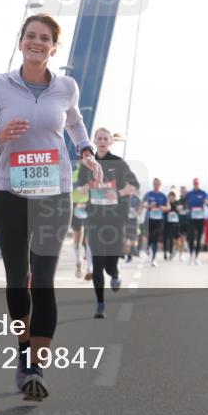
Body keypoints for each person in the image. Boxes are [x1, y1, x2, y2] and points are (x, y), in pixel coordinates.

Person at [0, 13, 102, 402]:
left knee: (42, 279)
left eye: (45, 38)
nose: (37, 42)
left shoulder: (67, 87)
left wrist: (87, 152)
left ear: (54, 47)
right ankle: (22, 347)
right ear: (21, 41)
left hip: (53, 193)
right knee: (17, 280)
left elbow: (75, 125)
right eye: (31, 36)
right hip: (11, 193)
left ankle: (34, 366)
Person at [76, 127, 139, 318]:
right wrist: (86, 188)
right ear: (94, 141)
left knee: (110, 263)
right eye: (99, 138)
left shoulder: (119, 164)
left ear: (110, 142)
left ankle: (115, 274)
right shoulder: (87, 164)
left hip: (115, 219)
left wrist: (117, 193)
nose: (102, 141)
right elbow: (79, 189)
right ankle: (100, 303)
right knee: (97, 261)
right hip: (94, 218)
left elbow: (134, 186)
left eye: (105, 138)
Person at [70, 163, 91, 279]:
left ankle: (89, 267)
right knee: (78, 235)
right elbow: (69, 183)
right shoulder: (74, 169)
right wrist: (78, 187)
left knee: (89, 237)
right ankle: (78, 262)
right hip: (75, 206)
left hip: (90, 206)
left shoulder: (95, 168)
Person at [142, 179, 168, 266]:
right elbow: (143, 205)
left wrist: (162, 208)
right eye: (155, 183)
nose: (156, 185)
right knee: (149, 236)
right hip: (150, 219)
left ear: (160, 184)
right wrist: (150, 206)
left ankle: (153, 259)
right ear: (153, 184)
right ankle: (148, 247)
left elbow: (168, 207)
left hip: (159, 220)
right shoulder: (149, 194)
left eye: (158, 184)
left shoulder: (163, 195)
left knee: (156, 239)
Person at [184, 178, 208, 264]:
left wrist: (207, 203)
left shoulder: (203, 193)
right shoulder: (189, 194)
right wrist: (186, 209)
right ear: (193, 184)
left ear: (199, 184)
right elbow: (185, 204)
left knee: (199, 237)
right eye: (194, 183)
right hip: (191, 218)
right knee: (191, 237)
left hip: (200, 218)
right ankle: (191, 255)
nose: (196, 184)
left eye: (197, 183)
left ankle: (197, 257)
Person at [165, 191, 181, 260]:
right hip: (169, 223)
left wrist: (177, 208)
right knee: (170, 238)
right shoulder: (167, 203)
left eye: (173, 196)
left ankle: (176, 250)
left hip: (176, 223)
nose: (171, 198)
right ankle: (170, 252)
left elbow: (180, 211)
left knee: (177, 239)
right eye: (170, 197)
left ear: (174, 197)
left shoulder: (177, 203)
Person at [176, 185, 190, 261]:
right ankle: (179, 253)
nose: (183, 192)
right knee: (180, 239)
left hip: (187, 222)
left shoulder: (188, 201)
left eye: (184, 191)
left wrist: (188, 210)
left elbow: (190, 209)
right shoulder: (178, 201)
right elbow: (176, 209)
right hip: (180, 222)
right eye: (182, 191)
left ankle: (183, 254)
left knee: (185, 239)